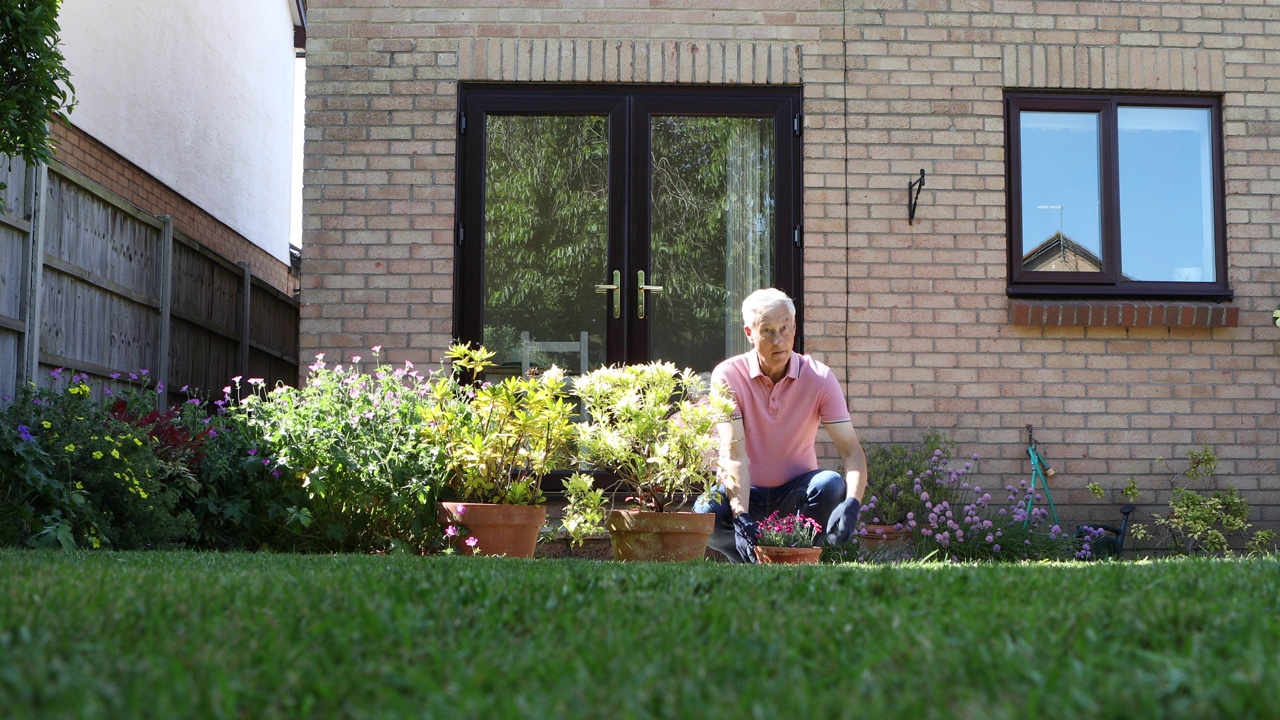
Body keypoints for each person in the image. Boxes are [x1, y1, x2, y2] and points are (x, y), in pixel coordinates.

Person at [695, 288, 867, 563]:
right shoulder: (728, 375)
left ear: (795, 326)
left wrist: (852, 503)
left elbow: (852, 452)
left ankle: (795, 554)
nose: (779, 340)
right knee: (705, 510)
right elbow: (734, 454)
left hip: (796, 495)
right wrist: (741, 515)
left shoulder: (820, 377)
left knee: (831, 484)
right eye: (767, 331)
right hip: (744, 492)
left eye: (785, 328)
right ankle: (746, 557)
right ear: (749, 333)